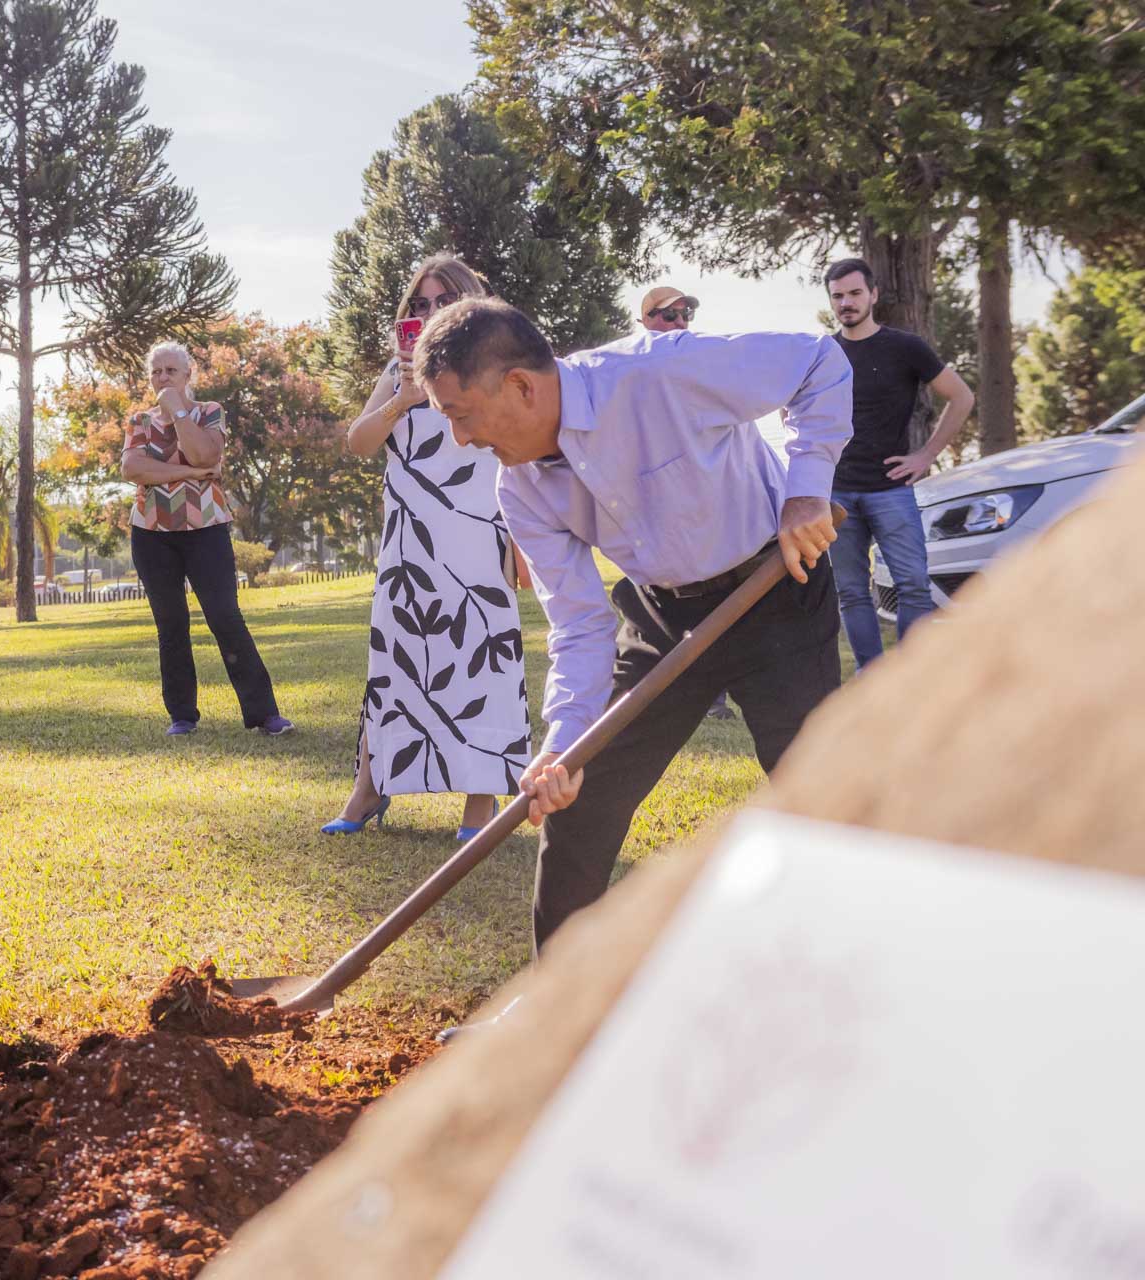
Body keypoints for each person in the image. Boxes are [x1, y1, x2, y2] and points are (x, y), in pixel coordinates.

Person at [414, 299, 850, 954]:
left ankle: (851, 961)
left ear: (521, 386)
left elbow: (818, 361)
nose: (461, 438)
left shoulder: (657, 372)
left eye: (460, 414)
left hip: (773, 588)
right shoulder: (520, 488)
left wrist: (807, 489)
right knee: (580, 796)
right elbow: (578, 620)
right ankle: (558, 997)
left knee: (816, 791)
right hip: (661, 616)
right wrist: (564, 741)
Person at [327, 255, 529, 840]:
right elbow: (359, 442)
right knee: (396, 661)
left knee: (481, 659)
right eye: (420, 303)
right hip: (408, 542)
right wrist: (403, 399)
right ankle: (369, 788)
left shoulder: (499, 366)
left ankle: (481, 801)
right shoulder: (398, 372)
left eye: (444, 300)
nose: (431, 311)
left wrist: (521, 539)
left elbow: (520, 453)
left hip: (478, 532)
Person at [122, 341, 292, 738]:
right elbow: (132, 469)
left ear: (188, 375)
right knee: (171, 624)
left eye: (171, 371)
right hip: (151, 534)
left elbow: (203, 454)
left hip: (206, 530)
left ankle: (264, 714)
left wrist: (177, 411)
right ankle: (182, 716)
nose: (163, 377)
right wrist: (193, 475)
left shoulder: (209, 412)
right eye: (156, 371)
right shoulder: (139, 420)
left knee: (225, 617)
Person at [825, 257, 976, 668]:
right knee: (851, 592)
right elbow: (793, 408)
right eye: (838, 296)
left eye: (855, 293)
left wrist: (926, 455)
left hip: (891, 489)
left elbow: (961, 396)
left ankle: (907, 680)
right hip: (836, 492)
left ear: (873, 295)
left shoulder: (905, 347)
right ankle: (871, 678)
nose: (846, 303)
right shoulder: (824, 353)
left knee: (913, 586)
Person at [638, 284, 733, 722]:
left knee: (717, 593)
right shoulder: (629, 374)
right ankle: (673, 691)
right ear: (644, 322)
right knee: (668, 602)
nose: (679, 323)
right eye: (667, 315)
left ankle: (716, 696)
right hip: (655, 506)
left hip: (707, 499)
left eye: (684, 315)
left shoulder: (702, 367)